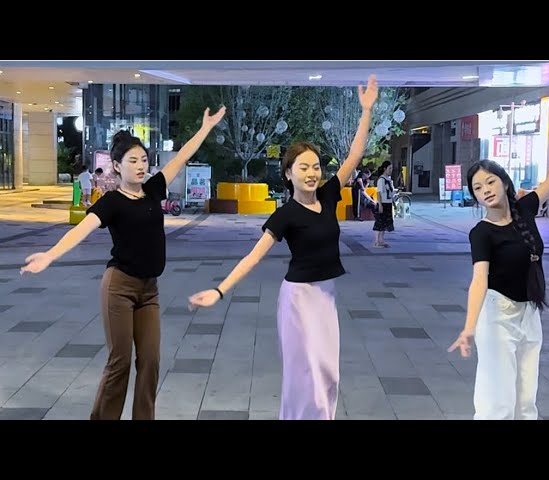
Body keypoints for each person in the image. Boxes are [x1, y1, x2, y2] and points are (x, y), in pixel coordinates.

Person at [188, 75, 379, 420]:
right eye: (302, 167)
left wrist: (366, 111)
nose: (312, 173)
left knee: (329, 375)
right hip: (298, 300)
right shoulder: (285, 214)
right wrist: (219, 290)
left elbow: (355, 153)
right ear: (287, 173)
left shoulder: (328, 194)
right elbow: (253, 257)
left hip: (326, 295)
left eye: (316, 167)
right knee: (304, 378)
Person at [20, 106, 226, 420]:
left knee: (151, 361)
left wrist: (205, 127)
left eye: (144, 160)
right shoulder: (113, 202)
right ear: (117, 166)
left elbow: (183, 155)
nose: (141, 166)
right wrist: (49, 255)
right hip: (120, 288)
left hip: (150, 291)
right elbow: (82, 230)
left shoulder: (154, 190)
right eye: (133, 161)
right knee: (120, 361)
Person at [447, 116, 549, 420]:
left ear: (505, 181)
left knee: (526, 401)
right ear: (474, 196)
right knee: (496, 401)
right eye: (477, 187)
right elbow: (478, 280)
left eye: (490, 181)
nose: (485, 189)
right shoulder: (482, 232)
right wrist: (469, 327)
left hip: (530, 314)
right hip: (498, 317)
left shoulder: (524, 209)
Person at [372, 160, 394, 247]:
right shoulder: (381, 180)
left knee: (384, 223)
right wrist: (380, 204)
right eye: (389, 168)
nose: (391, 170)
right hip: (383, 203)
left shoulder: (388, 180)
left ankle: (381, 241)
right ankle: (377, 241)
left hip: (388, 203)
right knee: (380, 223)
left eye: (391, 168)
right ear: (385, 169)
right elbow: (379, 193)